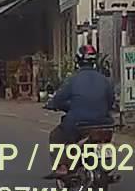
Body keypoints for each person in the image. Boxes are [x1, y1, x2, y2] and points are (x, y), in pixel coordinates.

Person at [45, 45, 115, 174]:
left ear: (78, 61)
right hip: (104, 123)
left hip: (78, 124)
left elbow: (58, 99)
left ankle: (62, 166)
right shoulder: (105, 80)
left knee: (56, 136)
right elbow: (111, 101)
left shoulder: (73, 80)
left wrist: (51, 103)